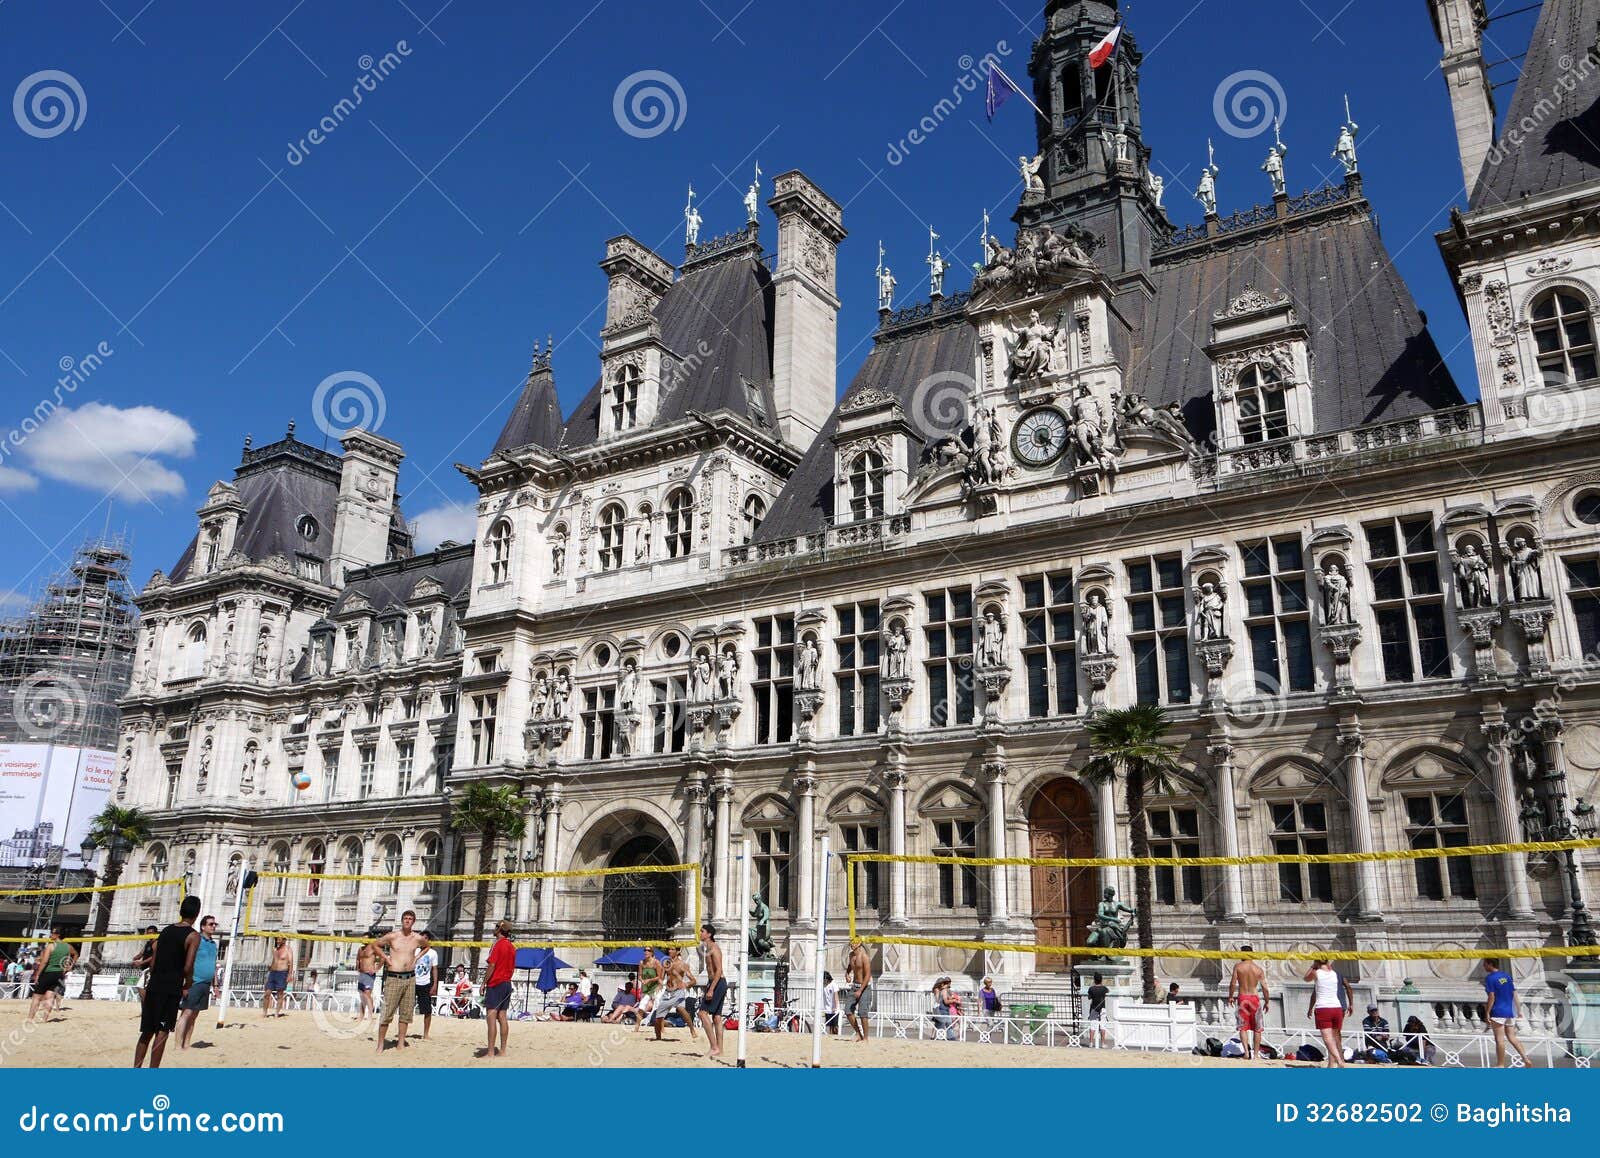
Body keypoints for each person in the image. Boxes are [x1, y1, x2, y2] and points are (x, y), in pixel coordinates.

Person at [133, 896, 200, 1069]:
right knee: (162, 1031)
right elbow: (188, 966)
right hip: (171, 986)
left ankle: (136, 1068)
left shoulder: (165, 931)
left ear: (180, 911)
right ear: (197, 914)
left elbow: (154, 961)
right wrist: (188, 983)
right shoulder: (193, 936)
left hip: (155, 983)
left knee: (147, 1031)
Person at [372, 909, 428, 1053]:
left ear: (413, 921)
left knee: (406, 1013)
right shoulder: (393, 936)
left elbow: (427, 946)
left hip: (410, 978)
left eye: (410, 918)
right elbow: (375, 945)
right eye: (405, 918)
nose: (407, 920)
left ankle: (401, 1043)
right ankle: (380, 1044)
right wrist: (385, 958)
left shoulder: (417, 938)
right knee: (387, 1012)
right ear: (402, 920)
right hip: (393, 977)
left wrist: (416, 958)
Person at [175, 913, 220, 1049]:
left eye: (214, 924)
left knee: (194, 1015)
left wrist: (216, 984)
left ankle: (187, 1044)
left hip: (206, 983)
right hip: (194, 981)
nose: (213, 926)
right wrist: (184, 982)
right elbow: (186, 959)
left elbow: (213, 964)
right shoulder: (196, 939)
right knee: (186, 1013)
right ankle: (178, 1045)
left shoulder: (213, 944)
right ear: (203, 926)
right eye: (211, 924)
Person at [1482, 957, 1533, 1068]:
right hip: (1509, 1011)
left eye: (1485, 964)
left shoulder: (1490, 978)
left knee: (1499, 1040)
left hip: (1498, 1011)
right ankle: (1525, 1058)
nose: (1484, 966)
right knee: (1512, 1037)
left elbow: (1491, 997)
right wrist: (1519, 1010)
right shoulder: (1507, 976)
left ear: (1490, 964)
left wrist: (1487, 1012)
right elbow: (1514, 993)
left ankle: (1500, 1064)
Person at [1305, 959, 1353, 1067]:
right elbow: (1348, 987)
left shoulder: (1317, 974)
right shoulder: (1336, 974)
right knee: (1336, 1036)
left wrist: (1310, 1008)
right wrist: (1351, 1004)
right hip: (1338, 1006)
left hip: (1324, 1008)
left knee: (1329, 1039)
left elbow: (1309, 984)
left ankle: (1339, 1060)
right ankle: (1332, 1063)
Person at [1227, 946, 1269, 1060]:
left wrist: (1230, 996)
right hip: (1254, 998)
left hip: (1242, 997)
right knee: (1257, 1028)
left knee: (1243, 1027)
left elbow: (1232, 983)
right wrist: (1267, 1001)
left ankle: (1246, 1053)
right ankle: (1255, 1055)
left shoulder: (1238, 967)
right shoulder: (1258, 969)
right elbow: (1265, 987)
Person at [27, 928, 77, 1022]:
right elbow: (76, 954)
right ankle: (45, 1019)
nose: (50, 935)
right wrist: (70, 966)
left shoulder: (51, 946)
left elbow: (44, 961)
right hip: (59, 973)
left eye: (52, 934)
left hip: (48, 972)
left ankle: (30, 1018)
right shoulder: (68, 946)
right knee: (51, 996)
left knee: (36, 997)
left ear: (58, 935)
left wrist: (38, 974)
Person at [483, 920, 517, 1058]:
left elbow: (491, 965)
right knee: (502, 1017)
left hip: (496, 983)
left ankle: (490, 1051)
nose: (494, 929)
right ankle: (502, 1051)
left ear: (499, 930)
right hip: (507, 983)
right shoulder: (512, 947)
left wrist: (484, 982)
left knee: (491, 1017)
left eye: (496, 927)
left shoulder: (498, 945)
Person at [651, 946, 698, 1042]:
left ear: (678, 952)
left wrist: (687, 984)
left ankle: (692, 1029)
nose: (670, 951)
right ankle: (658, 1037)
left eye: (672, 949)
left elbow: (693, 980)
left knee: (680, 1008)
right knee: (658, 1018)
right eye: (669, 949)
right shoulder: (666, 963)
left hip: (678, 991)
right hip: (668, 992)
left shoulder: (682, 965)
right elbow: (661, 977)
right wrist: (659, 985)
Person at [697, 923, 727, 1059]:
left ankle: (714, 1047)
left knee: (702, 1013)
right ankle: (719, 1050)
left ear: (709, 934)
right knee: (717, 1017)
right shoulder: (707, 948)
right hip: (716, 982)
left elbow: (719, 970)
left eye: (702, 931)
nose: (700, 933)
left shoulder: (714, 948)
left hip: (718, 983)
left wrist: (711, 989)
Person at [844, 939, 873, 1042]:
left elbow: (868, 975)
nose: (852, 945)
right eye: (851, 943)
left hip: (864, 987)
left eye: (854, 943)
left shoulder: (864, 957)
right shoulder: (851, 955)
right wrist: (847, 974)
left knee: (862, 1013)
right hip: (854, 986)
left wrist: (860, 990)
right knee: (847, 1010)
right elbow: (850, 967)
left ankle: (865, 1038)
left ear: (859, 944)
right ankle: (858, 1033)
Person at [414, 931, 439, 1041]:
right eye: (421, 938)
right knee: (406, 1008)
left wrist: (434, 985)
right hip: (413, 982)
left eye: (425, 938)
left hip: (425, 983)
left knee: (427, 1010)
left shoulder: (433, 953)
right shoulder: (415, 950)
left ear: (428, 940)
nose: (423, 940)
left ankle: (426, 1034)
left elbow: (434, 969)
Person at [263, 936, 294, 1018]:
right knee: (267, 993)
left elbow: (291, 962)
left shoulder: (288, 949)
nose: (277, 941)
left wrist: (289, 974)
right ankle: (265, 1012)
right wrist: (270, 968)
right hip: (273, 972)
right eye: (277, 939)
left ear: (284, 940)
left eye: (279, 939)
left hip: (282, 973)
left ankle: (276, 1013)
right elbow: (274, 961)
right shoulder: (275, 949)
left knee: (280, 994)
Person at [634, 947, 662, 1033]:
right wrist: (642, 980)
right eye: (645, 950)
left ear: (652, 952)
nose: (646, 952)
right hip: (646, 988)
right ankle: (637, 1027)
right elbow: (639, 975)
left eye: (648, 950)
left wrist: (649, 980)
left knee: (657, 1007)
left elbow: (660, 977)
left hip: (655, 987)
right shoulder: (642, 962)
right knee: (641, 1007)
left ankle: (662, 1027)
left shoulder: (656, 962)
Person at [131, 925, 158, 1004]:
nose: (149, 934)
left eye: (151, 933)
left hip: (150, 969)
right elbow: (141, 954)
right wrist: (134, 959)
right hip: (145, 969)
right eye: (148, 933)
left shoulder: (156, 942)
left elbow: (154, 957)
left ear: (155, 933)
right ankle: (146, 1009)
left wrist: (141, 962)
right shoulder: (148, 943)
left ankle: (147, 1007)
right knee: (145, 989)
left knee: (140, 987)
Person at [354, 939, 378, 1022]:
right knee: (362, 995)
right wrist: (357, 968)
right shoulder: (360, 949)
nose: (364, 939)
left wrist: (377, 968)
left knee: (367, 994)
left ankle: (370, 1016)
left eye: (366, 938)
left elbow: (382, 957)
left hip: (369, 973)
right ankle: (361, 1015)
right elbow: (357, 959)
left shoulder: (373, 948)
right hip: (362, 973)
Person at [1085, 972, 1111, 1048]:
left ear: (1094, 980)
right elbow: (1108, 991)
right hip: (1102, 1009)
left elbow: (1089, 997)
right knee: (1103, 1026)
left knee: (1092, 1026)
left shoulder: (1091, 989)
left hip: (1093, 1008)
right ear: (1101, 980)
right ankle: (1103, 1043)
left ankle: (1090, 1043)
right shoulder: (1104, 988)